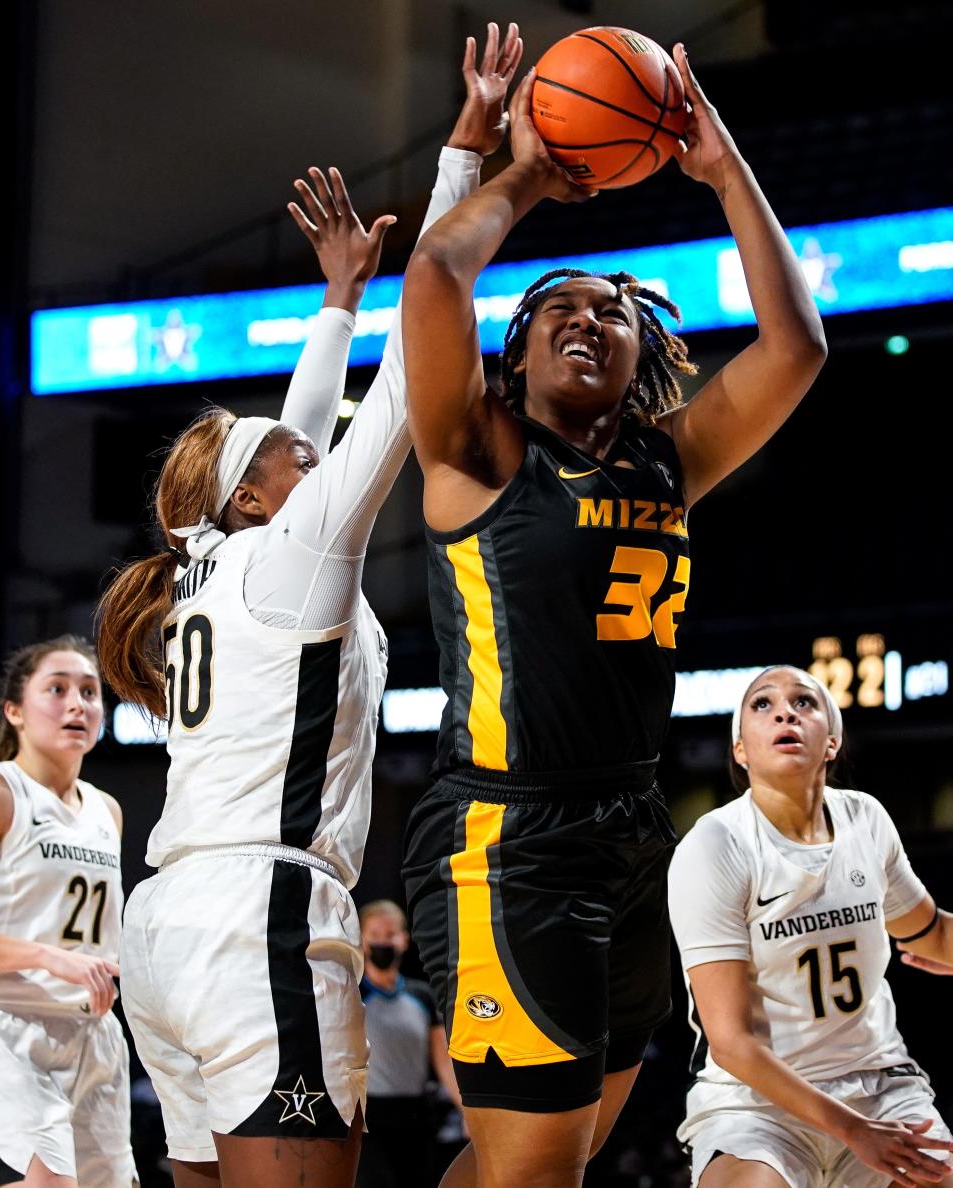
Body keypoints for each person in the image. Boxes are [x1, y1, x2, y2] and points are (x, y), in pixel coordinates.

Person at [94, 25, 522, 1188]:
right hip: (258, 921)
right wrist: (466, 165)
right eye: (296, 453)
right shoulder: (281, 556)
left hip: (173, 924)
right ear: (251, 494)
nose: (314, 450)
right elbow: (400, 392)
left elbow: (308, 421)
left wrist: (335, 300)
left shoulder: (211, 561)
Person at [399, 36, 829, 1188]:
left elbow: (798, 345)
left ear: (645, 354)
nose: (587, 319)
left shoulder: (668, 461)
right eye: (557, 309)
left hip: (636, 836)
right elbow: (437, 276)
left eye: (612, 313)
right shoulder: (476, 452)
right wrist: (530, 172)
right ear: (515, 352)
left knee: (552, 1156)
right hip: (506, 842)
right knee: (533, 1166)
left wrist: (725, 168)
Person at [668, 664, 953, 1188]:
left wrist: (866, 1124)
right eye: (762, 704)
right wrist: (852, 1131)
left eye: (804, 702)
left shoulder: (865, 818)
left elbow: (931, 932)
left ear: (832, 741)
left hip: (879, 1086)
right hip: (755, 1100)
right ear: (740, 750)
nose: (784, 711)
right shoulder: (715, 845)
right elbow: (729, 1041)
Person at [0, 635, 136, 1188]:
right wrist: (52, 959)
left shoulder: (108, 811)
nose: (77, 703)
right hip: (11, 1029)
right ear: (15, 711)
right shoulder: (4, 793)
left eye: (89, 691)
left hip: (94, 1035)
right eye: (56, 689)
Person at [355, 899, 462, 1188]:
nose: (382, 943)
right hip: (368, 1119)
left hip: (417, 1117)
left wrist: (469, 1109)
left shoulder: (422, 996)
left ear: (404, 940)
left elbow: (443, 1061)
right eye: (374, 935)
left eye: (390, 935)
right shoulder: (353, 995)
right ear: (361, 940)